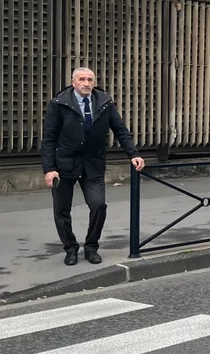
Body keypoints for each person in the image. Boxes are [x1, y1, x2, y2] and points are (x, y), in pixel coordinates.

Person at [41, 68, 144, 266]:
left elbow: (120, 130)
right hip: (64, 165)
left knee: (98, 205)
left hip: (93, 164)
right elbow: (49, 139)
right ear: (73, 82)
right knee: (62, 209)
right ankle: (70, 248)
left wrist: (134, 154)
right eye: (82, 79)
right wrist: (49, 168)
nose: (86, 83)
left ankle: (91, 247)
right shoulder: (59, 104)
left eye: (90, 79)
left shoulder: (104, 103)